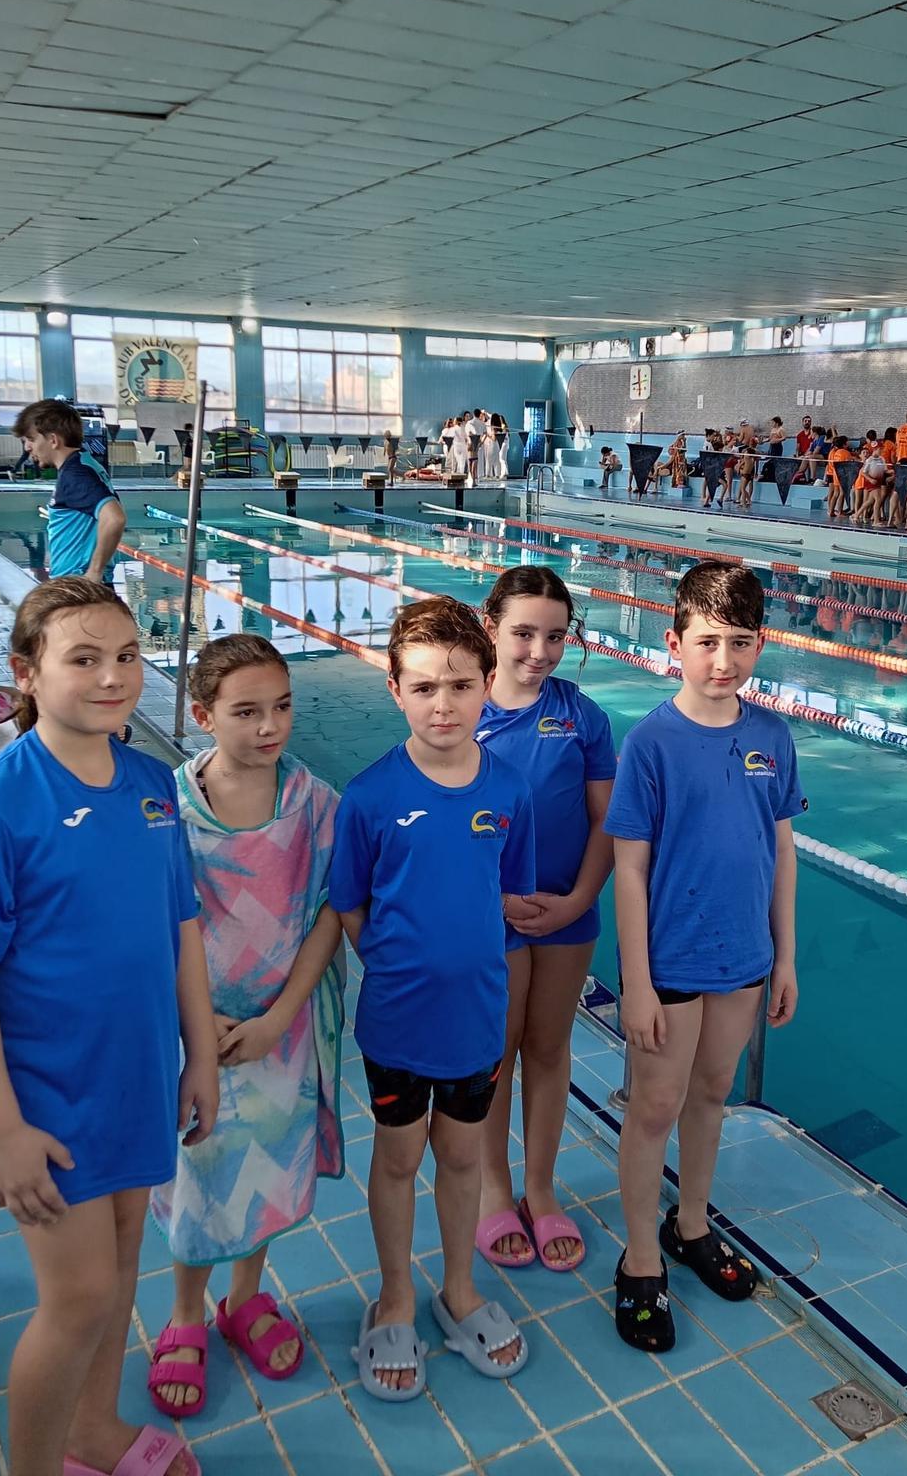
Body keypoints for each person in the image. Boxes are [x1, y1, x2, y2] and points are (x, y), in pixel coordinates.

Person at [0, 577, 217, 1476]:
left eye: (127, 657)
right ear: (25, 673)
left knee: (125, 1258)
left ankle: (94, 1431)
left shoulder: (149, 788)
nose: (112, 678)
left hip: (134, 1073)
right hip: (47, 1095)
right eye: (84, 659)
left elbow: (180, 931)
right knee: (79, 1296)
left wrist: (201, 1055)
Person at [328, 597, 535, 1400]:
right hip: (399, 1023)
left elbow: (508, 894)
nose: (442, 704)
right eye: (422, 688)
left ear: (488, 684)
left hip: (477, 1018)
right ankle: (394, 1295)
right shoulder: (371, 797)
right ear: (394, 690)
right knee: (399, 1156)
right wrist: (388, 958)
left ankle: (457, 1288)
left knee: (461, 1157)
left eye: (458, 684)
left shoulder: (509, 788)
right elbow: (350, 904)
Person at [605, 562, 803, 1352]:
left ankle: (690, 1225)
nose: (724, 660)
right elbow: (628, 869)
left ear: (762, 645)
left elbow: (782, 850)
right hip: (673, 963)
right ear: (675, 642)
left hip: (745, 959)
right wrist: (638, 985)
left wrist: (785, 957)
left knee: (712, 1094)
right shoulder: (652, 742)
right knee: (654, 1106)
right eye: (709, 642)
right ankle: (640, 1260)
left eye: (741, 643)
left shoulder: (772, 736)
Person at [147, 636, 344, 1419]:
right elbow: (154, 922)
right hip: (196, 1031)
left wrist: (280, 1018)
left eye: (283, 707)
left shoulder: (314, 802)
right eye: (247, 712)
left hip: (281, 1032)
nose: (270, 727)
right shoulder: (168, 807)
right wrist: (196, 1023)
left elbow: (332, 912)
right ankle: (188, 1314)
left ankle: (245, 1298)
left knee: (265, 1166)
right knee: (198, 1173)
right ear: (201, 716)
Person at [474, 569, 616, 1271]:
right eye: (525, 632)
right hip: (486, 915)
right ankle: (494, 1187)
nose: (540, 651)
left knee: (550, 1049)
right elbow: (440, 829)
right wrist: (494, 900)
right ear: (490, 625)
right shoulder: (460, 712)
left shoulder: (582, 715)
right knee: (497, 1054)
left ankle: (539, 1187)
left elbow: (606, 823)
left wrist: (581, 900)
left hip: (566, 910)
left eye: (555, 636)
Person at [14, 400, 126, 582]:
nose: (27, 447)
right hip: (77, 583)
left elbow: (115, 518)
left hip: (78, 585)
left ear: (53, 440)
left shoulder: (75, 474)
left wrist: (95, 571)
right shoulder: (83, 463)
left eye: (31, 439)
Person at [826, 435, 853, 519]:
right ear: (844, 444)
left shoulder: (836, 452)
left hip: (835, 475)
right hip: (842, 476)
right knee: (842, 493)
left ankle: (831, 510)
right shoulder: (845, 453)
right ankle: (840, 511)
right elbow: (849, 463)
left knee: (836, 493)